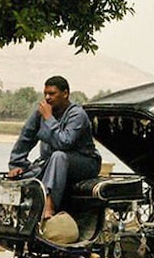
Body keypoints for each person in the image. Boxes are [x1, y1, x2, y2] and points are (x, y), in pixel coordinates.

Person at [7, 75, 102, 220]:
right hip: (51, 163)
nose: (47, 98)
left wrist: (49, 119)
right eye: (45, 94)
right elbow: (26, 137)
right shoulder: (41, 112)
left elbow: (65, 143)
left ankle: (49, 206)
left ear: (65, 94)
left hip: (84, 163)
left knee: (59, 156)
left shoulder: (77, 114)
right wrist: (16, 164)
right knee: (22, 177)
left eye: (52, 94)